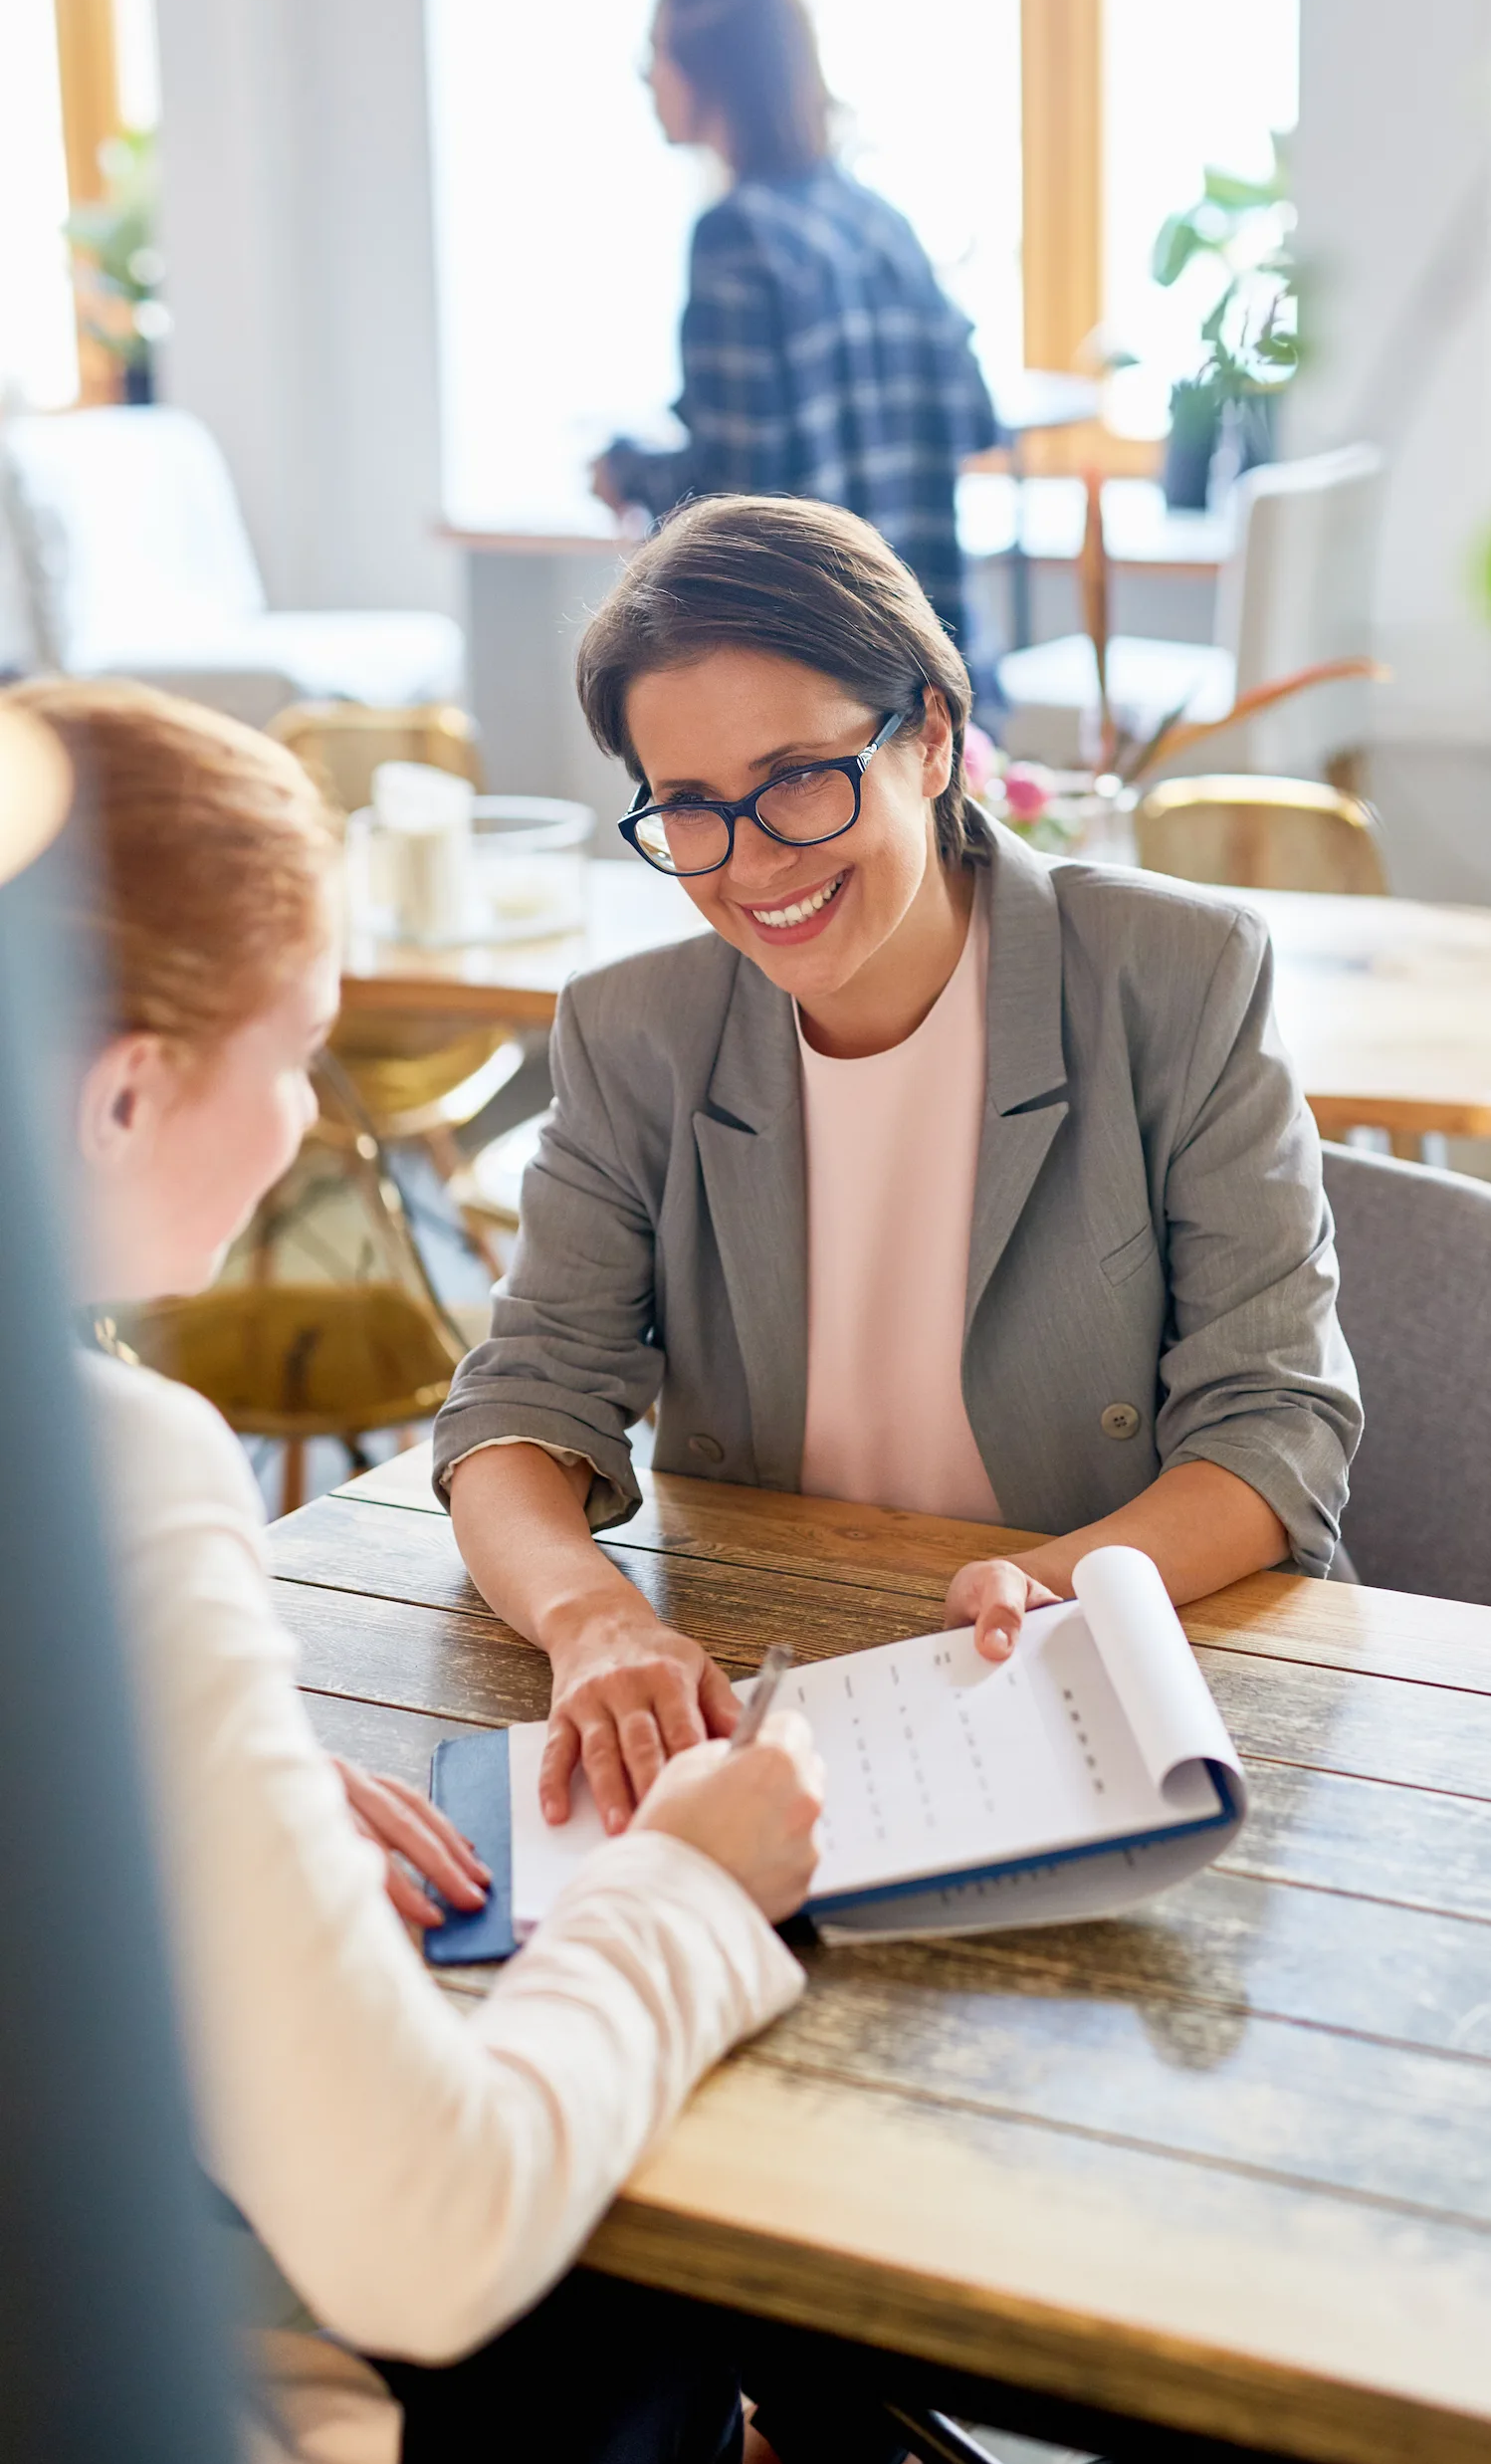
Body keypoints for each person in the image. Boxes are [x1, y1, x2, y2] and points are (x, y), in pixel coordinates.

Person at [21, 675, 833, 2464]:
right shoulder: (104, 1472)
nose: (313, 1119)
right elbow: (426, 2230)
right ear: (127, 1090)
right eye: (295, 1051)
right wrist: (689, 1889)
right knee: (610, 2270)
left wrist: (143, 1803)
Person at [435, 494, 1361, 1838]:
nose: (753, 864)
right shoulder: (639, 1034)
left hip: (1115, 1687)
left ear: (933, 736)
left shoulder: (1178, 979)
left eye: (801, 778)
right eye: (690, 809)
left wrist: (1053, 1583)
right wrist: (593, 1624)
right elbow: (521, 1407)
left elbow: (1275, 1427)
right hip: (776, 1685)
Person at [590, 0, 996, 652]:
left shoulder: (736, 237)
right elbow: (974, 419)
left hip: (815, 677)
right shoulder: (881, 224)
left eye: (655, 51)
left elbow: (728, 505)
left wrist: (626, 470)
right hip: (927, 671)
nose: (645, 76)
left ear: (708, 69)